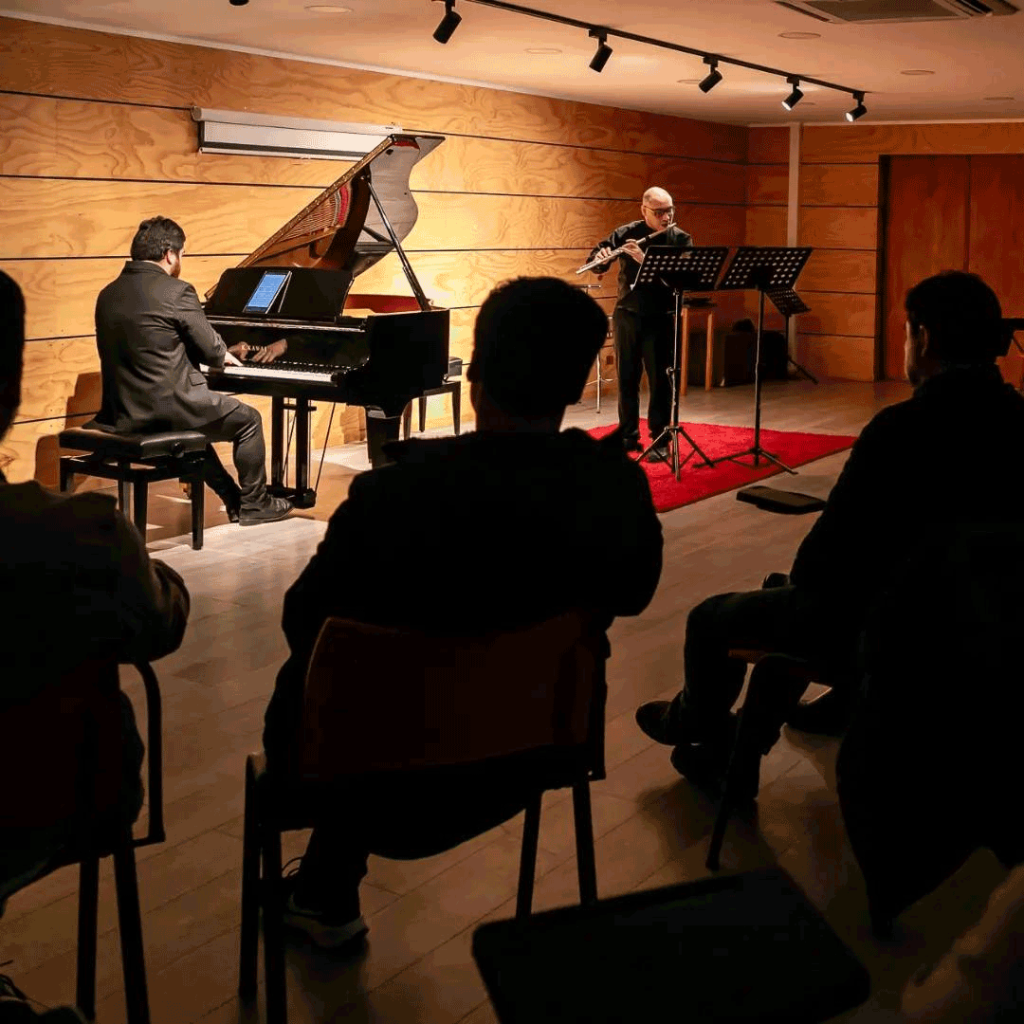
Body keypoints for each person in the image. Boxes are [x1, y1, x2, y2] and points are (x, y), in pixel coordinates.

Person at [262, 276, 664, 948]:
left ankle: (325, 893)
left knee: (353, 688)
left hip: (355, 779)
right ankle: (327, 885)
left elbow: (303, 621)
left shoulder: (393, 495)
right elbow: (634, 593)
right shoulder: (611, 487)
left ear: (474, 373)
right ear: (575, 384)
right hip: (533, 757)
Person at [635, 270, 1024, 784]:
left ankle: (703, 734)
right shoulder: (1018, 421)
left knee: (714, 616)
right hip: (982, 628)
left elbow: (824, 563)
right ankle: (812, 717)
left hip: (884, 629)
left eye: (908, 332)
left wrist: (800, 589)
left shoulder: (899, 430)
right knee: (801, 595)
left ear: (923, 338)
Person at [0, 270, 189, 1013]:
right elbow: (160, 622)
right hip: (64, 799)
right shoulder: (83, 535)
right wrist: (143, 565)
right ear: (10, 395)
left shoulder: (115, 293)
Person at [92, 216, 292, 526]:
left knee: (196, 434)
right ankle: (256, 503)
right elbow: (212, 350)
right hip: (168, 409)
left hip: (123, 412)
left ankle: (233, 499)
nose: (180, 260)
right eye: (182, 254)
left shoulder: (108, 293)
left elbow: (152, 344)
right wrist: (224, 352)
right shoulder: (176, 291)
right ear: (170, 254)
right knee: (249, 421)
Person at [586, 187, 693, 455]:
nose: (666, 217)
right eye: (659, 212)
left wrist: (643, 259)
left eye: (669, 210)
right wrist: (600, 260)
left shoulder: (680, 239)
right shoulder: (625, 233)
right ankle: (627, 437)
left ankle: (660, 439)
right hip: (628, 315)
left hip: (661, 317)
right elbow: (597, 259)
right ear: (644, 210)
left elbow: (682, 280)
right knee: (627, 379)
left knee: (659, 381)